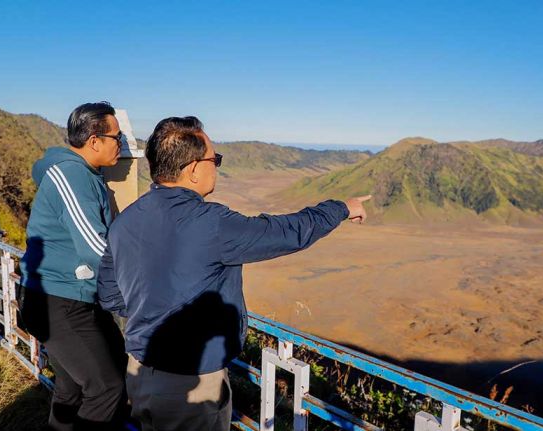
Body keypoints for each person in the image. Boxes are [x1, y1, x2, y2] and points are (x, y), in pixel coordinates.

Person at [97, 116, 370, 431]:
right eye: (216, 160)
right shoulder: (211, 223)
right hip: (192, 383)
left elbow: (110, 294)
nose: (217, 167)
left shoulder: (125, 222)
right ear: (194, 168)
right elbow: (287, 232)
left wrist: (152, 315)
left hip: (140, 372)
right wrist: (341, 208)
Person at [19, 102, 128, 430]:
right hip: (58, 300)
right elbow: (94, 245)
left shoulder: (89, 174)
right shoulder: (71, 173)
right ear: (95, 140)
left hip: (70, 296)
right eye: (116, 138)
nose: (120, 144)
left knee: (71, 389)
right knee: (106, 387)